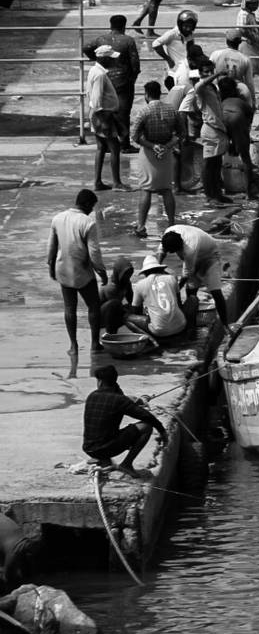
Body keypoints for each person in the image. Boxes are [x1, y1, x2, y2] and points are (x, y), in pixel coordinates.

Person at [47, 189, 107, 362]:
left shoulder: (58, 218)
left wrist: (51, 267)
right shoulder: (87, 222)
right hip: (82, 271)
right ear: (86, 204)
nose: (91, 210)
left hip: (63, 270)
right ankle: (95, 344)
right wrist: (102, 273)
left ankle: (73, 346)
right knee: (93, 306)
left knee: (69, 308)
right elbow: (94, 253)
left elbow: (51, 246)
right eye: (92, 206)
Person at [82, 364, 167, 477]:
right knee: (146, 427)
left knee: (103, 432)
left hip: (89, 448)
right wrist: (162, 431)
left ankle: (102, 459)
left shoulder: (92, 396)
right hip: (105, 448)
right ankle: (126, 464)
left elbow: (119, 398)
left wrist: (138, 400)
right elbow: (146, 416)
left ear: (100, 382)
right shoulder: (119, 400)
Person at [159, 223, 230, 333]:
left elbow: (187, 274)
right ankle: (191, 325)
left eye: (176, 251)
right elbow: (162, 252)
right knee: (191, 291)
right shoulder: (168, 235)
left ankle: (225, 325)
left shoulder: (190, 249)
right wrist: (157, 267)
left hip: (209, 256)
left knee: (215, 290)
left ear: (180, 247)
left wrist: (175, 289)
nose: (176, 254)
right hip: (194, 254)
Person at [85, 15, 141, 149]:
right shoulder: (128, 40)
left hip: (106, 79)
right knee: (123, 113)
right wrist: (132, 78)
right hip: (123, 81)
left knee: (105, 111)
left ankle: (106, 144)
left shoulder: (101, 39)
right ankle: (125, 144)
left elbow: (86, 47)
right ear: (124, 26)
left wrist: (97, 58)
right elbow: (135, 64)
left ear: (110, 25)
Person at [132, 79, 179, 236]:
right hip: (166, 153)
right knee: (167, 189)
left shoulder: (143, 112)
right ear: (160, 93)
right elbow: (181, 133)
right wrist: (167, 146)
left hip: (148, 154)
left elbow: (134, 136)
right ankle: (171, 224)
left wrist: (152, 146)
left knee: (146, 189)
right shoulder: (172, 110)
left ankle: (141, 226)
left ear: (146, 95)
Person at [179, 61, 229, 204]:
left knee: (217, 164)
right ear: (200, 73)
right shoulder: (200, 87)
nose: (209, 74)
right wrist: (217, 74)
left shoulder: (212, 87)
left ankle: (217, 194)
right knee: (209, 165)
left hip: (219, 130)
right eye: (206, 71)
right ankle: (210, 196)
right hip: (210, 129)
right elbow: (200, 85)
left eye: (211, 71)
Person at [86, 46, 127, 191]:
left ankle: (98, 182)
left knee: (101, 147)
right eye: (111, 58)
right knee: (114, 147)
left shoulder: (94, 70)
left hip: (98, 114)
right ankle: (117, 183)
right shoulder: (100, 75)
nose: (114, 61)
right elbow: (97, 100)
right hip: (103, 115)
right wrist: (104, 122)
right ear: (104, 58)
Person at [129, 253, 190, 340]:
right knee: (192, 300)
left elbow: (136, 311)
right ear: (161, 269)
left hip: (159, 331)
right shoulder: (171, 278)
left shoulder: (140, 285)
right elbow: (179, 303)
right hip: (181, 326)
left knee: (127, 318)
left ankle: (150, 340)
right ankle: (188, 333)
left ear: (145, 273)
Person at [211, 29, 256, 109]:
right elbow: (249, 82)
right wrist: (253, 100)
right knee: (247, 97)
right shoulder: (245, 59)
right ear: (240, 42)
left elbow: (208, 73)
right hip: (237, 87)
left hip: (220, 85)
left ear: (227, 41)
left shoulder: (216, 54)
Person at [152, 8, 199, 80]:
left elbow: (191, 49)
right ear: (180, 25)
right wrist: (168, 59)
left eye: (190, 27)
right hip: (174, 70)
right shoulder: (172, 34)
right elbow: (155, 44)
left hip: (187, 68)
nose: (188, 29)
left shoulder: (190, 34)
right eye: (186, 26)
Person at [98, 257, 135, 336]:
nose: (128, 276)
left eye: (129, 274)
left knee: (134, 307)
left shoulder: (126, 283)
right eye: (126, 274)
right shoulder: (111, 286)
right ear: (119, 272)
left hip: (115, 311)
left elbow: (132, 300)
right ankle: (110, 333)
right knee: (115, 304)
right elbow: (115, 308)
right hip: (101, 316)